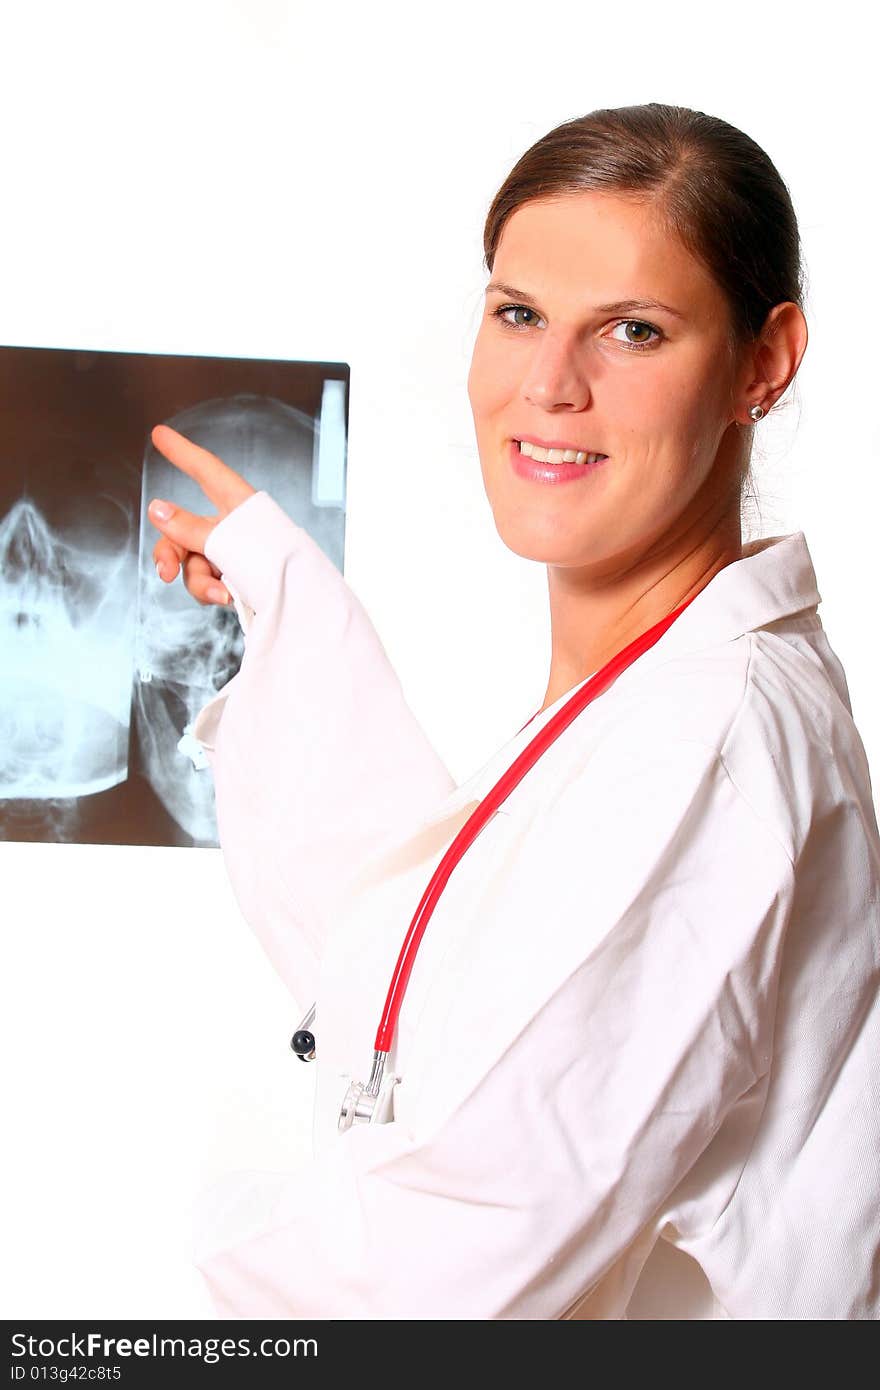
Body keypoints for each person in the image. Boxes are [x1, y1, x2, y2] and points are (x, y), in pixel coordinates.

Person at [149, 102, 880, 1319]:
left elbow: (456, 1260)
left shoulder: (704, 746)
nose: (548, 387)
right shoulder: (642, 691)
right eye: (518, 313)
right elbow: (420, 1009)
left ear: (763, 362)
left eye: (632, 331)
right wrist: (287, 617)